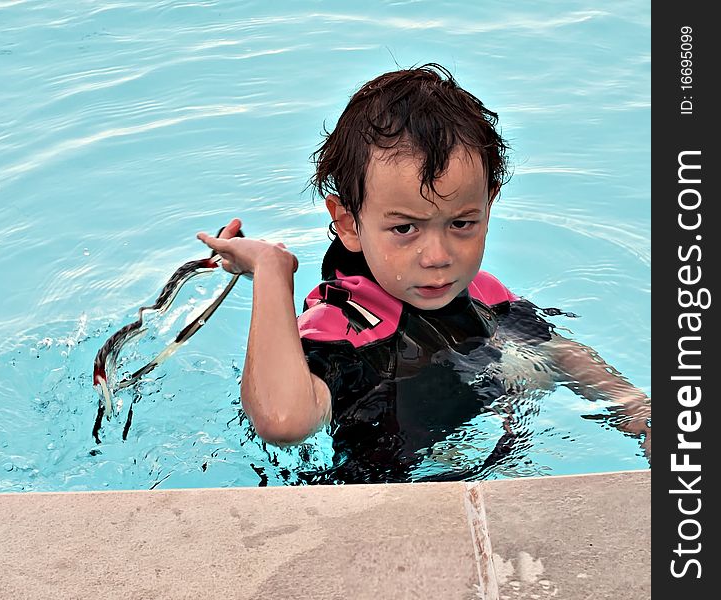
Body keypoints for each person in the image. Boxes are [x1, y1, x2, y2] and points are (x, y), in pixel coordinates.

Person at [197, 64, 650, 484]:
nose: (438, 256)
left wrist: (636, 410)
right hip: (374, 488)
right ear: (349, 222)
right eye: (404, 228)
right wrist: (272, 271)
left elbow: (560, 353)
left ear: (489, 204)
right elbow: (283, 424)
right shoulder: (341, 324)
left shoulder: (483, 294)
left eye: (461, 223)